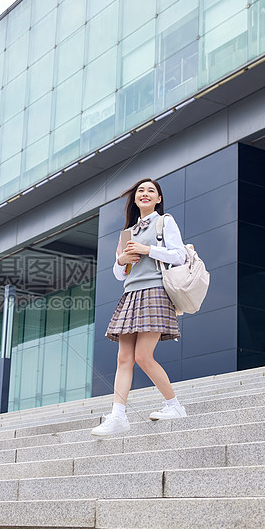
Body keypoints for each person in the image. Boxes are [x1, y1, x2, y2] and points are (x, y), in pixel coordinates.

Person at [91, 178, 188, 437]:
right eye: (140, 191)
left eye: (151, 191)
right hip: (131, 295)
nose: (145, 194)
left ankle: (174, 405)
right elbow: (120, 274)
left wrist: (148, 249)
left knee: (144, 357)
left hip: (155, 292)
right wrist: (122, 260)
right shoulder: (127, 233)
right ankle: (118, 416)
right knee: (124, 358)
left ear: (158, 199)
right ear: (135, 199)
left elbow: (180, 256)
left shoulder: (164, 222)